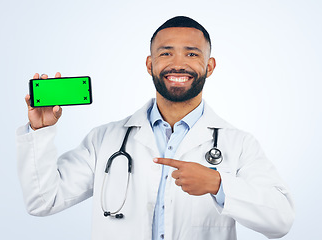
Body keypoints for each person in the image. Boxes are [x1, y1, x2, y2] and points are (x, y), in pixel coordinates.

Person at [16, 16, 294, 240]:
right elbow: (43, 201)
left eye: (192, 54)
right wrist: (40, 132)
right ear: (150, 64)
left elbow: (280, 220)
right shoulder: (105, 140)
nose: (178, 64)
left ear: (209, 66)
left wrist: (218, 184)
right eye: (166, 53)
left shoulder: (239, 144)